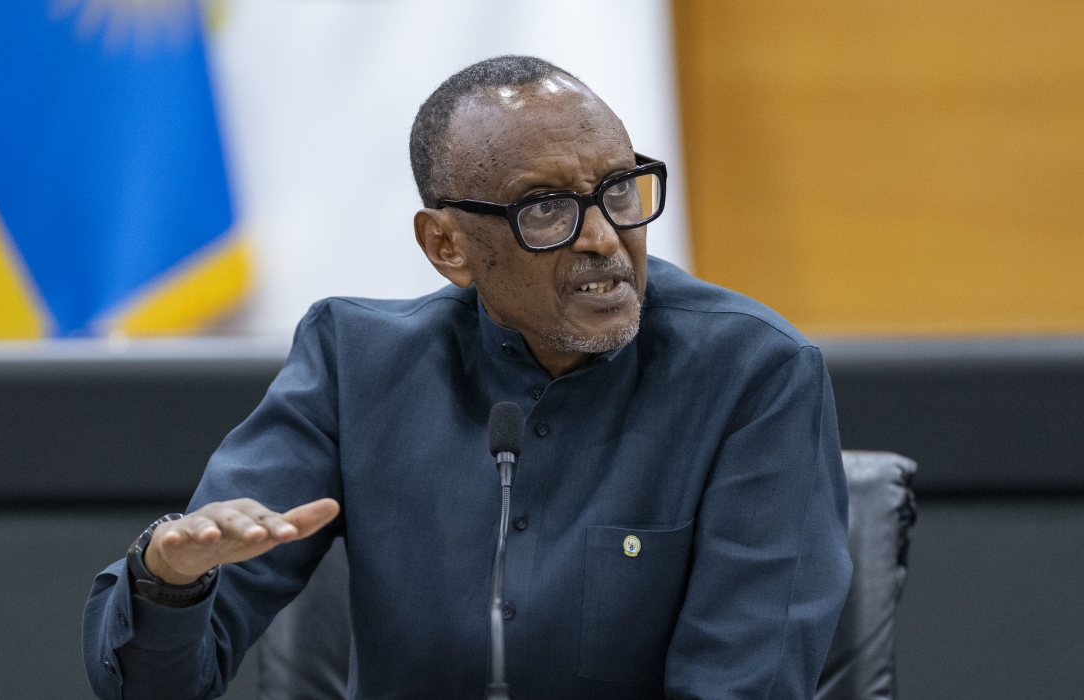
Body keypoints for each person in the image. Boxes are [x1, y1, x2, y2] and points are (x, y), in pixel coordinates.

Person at [82, 55, 851, 700]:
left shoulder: (754, 374)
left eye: (620, 189)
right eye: (547, 209)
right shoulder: (356, 364)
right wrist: (169, 581)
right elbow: (155, 686)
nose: (604, 238)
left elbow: (743, 683)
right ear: (447, 246)